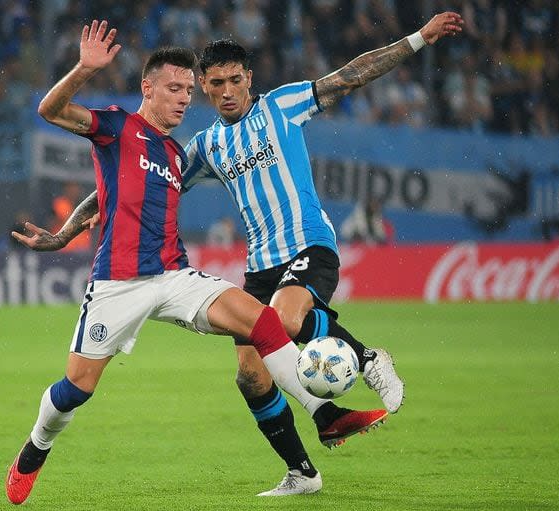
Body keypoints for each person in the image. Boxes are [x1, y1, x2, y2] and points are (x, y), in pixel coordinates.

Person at [37, 9, 462, 457]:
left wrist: (417, 38)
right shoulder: (204, 147)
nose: (226, 92)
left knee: (282, 320)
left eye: (234, 80)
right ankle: (301, 471)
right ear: (204, 85)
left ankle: (367, 358)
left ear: (248, 78)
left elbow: (351, 76)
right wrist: (67, 230)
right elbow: (131, 184)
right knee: (251, 375)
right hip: (260, 264)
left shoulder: (282, 105)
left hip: (307, 242)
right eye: (215, 84)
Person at [5, 21, 368, 504]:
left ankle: (326, 416)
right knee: (77, 388)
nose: (183, 99)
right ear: (147, 88)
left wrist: (66, 231)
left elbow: (106, 198)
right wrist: (84, 70)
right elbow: (52, 113)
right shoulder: (117, 127)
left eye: (188, 91)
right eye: (174, 89)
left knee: (262, 321)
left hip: (175, 276)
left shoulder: (178, 156)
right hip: (118, 283)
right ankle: (35, 448)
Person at [49, 181, 91, 253]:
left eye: (75, 187)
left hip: (81, 249)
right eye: (71, 187)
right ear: (65, 189)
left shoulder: (83, 203)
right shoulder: (60, 203)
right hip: (64, 248)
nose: (73, 190)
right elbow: (67, 220)